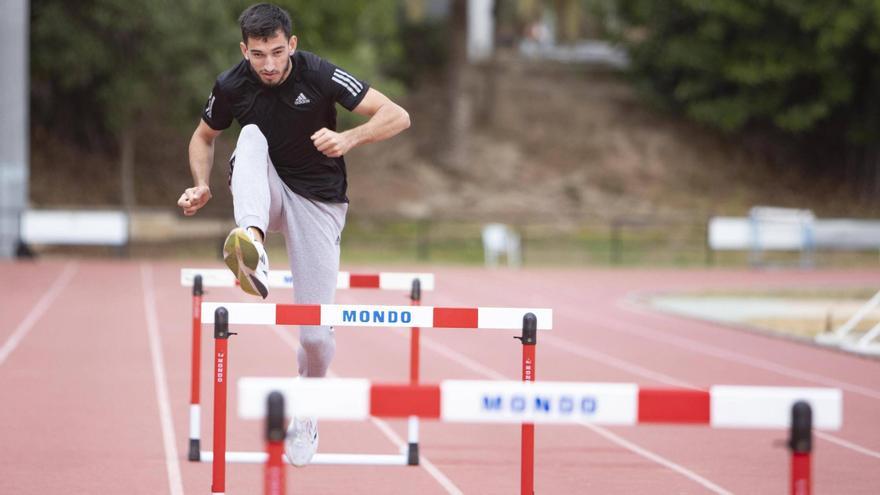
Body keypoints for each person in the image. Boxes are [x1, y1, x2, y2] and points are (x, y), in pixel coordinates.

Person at [176, 3, 410, 467]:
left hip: (319, 202)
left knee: (316, 339)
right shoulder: (231, 85)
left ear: (293, 46)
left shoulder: (320, 74)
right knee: (250, 138)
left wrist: (348, 139)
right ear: (244, 50)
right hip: (267, 194)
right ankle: (253, 243)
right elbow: (203, 137)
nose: (268, 64)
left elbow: (397, 115)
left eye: (277, 52)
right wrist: (202, 184)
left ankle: (307, 409)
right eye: (258, 54)